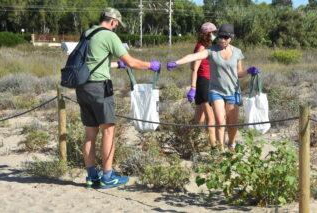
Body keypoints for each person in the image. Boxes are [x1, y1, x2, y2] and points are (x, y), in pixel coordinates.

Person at [76, 7, 161, 189]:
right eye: (117, 25)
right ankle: (108, 177)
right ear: (113, 21)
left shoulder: (87, 33)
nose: (116, 28)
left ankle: (91, 177)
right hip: (100, 88)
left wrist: (114, 64)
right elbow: (131, 61)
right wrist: (150, 65)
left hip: (82, 87)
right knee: (108, 131)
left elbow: (93, 61)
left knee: (90, 133)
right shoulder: (109, 35)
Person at [167, 24, 255, 151]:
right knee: (220, 121)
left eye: (225, 37)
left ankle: (231, 143)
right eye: (220, 37)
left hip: (232, 91)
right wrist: (176, 62)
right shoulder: (211, 50)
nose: (222, 40)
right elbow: (194, 56)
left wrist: (248, 71)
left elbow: (239, 73)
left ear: (231, 38)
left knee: (232, 124)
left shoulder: (237, 52)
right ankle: (221, 149)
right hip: (216, 91)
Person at [187, 22, 217, 149]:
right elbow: (194, 68)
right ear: (208, 33)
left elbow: (192, 65)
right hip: (204, 82)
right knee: (211, 118)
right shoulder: (202, 47)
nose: (216, 34)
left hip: (205, 81)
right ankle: (214, 147)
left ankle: (190, 142)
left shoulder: (208, 46)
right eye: (214, 32)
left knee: (199, 118)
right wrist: (193, 88)